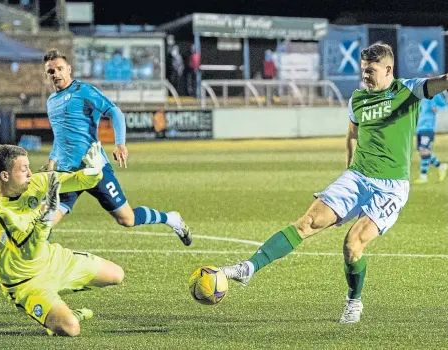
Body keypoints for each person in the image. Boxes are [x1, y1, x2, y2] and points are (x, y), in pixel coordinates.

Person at [219, 43, 448, 323]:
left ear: (388, 69)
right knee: (307, 223)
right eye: (363, 70)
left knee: (353, 243)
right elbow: (352, 133)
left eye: (371, 71)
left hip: (391, 187)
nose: (365, 76)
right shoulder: (358, 99)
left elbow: (442, 83)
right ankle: (249, 268)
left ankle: (354, 301)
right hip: (357, 178)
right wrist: (349, 168)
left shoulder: (408, 90)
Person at [42, 49, 192, 246]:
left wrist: (119, 142)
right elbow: (59, 138)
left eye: (60, 68)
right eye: (51, 71)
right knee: (46, 220)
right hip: (66, 173)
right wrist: (52, 162)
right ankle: (37, 265)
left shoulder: (82, 91)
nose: (56, 74)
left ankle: (171, 218)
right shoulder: (51, 101)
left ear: (69, 69)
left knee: (126, 219)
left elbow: (115, 111)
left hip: (94, 167)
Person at [0, 143, 125, 336]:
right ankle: (60, 316)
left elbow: (75, 181)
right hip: (26, 283)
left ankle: (58, 308)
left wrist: (92, 172)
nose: (30, 174)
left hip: (53, 261)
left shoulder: (34, 183)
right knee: (71, 328)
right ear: (5, 176)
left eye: (29, 167)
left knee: (117, 274)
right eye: (24, 170)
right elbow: (28, 252)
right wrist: (46, 219)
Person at [413, 92, 448, 184]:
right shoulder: (419, 96)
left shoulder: (435, 95)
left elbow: (445, 105)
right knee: (422, 151)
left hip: (428, 127)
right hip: (419, 128)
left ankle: (423, 176)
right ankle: (441, 166)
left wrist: (437, 109)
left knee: (424, 150)